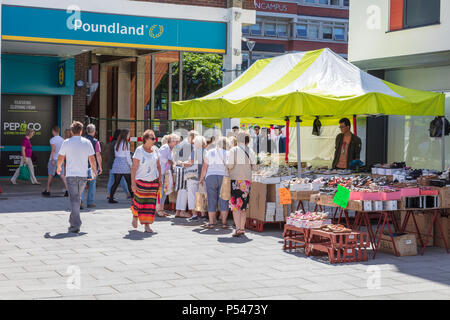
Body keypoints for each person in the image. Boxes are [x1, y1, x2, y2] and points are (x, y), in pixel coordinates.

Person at [57, 121, 97, 233]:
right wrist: (94, 171)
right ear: (81, 131)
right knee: (77, 198)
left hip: (71, 175)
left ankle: (76, 225)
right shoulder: (87, 142)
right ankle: (72, 222)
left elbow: (60, 157)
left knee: (74, 199)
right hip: (83, 175)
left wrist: (59, 167)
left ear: (71, 131)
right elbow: (92, 159)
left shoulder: (66, 142)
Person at [131, 130, 162, 233]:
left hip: (153, 181)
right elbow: (134, 168)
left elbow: (158, 166)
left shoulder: (156, 150)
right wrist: (133, 183)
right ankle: (135, 215)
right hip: (141, 181)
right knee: (138, 202)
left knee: (150, 205)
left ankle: (147, 225)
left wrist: (160, 179)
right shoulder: (139, 150)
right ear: (146, 139)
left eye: (155, 138)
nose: (154, 140)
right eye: (152, 138)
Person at [227, 131, 257, 237]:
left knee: (236, 206)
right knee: (244, 206)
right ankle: (242, 228)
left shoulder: (233, 150)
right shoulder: (251, 151)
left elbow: (229, 165)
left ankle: (238, 228)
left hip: (235, 180)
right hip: (246, 180)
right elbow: (255, 167)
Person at [199, 137, 229, 229]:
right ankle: (224, 223)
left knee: (211, 200)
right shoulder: (228, 153)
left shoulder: (210, 152)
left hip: (210, 176)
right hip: (223, 176)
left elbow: (205, 167)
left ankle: (212, 222)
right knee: (224, 200)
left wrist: (201, 178)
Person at [174, 130, 198, 218]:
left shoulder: (184, 145)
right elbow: (189, 161)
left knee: (181, 190)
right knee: (184, 190)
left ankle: (178, 211)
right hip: (185, 170)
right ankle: (182, 211)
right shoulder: (190, 146)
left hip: (180, 169)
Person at [183, 135, 207, 222]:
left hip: (193, 176)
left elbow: (190, 163)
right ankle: (203, 215)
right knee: (201, 195)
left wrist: (182, 163)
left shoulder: (195, 151)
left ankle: (194, 215)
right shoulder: (206, 151)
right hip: (202, 176)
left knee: (192, 195)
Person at [157, 133, 180, 216]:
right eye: (176, 141)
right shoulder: (165, 147)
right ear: (172, 141)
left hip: (166, 172)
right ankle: (158, 209)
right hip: (162, 172)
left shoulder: (170, 148)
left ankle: (161, 209)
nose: (177, 143)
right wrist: (169, 161)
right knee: (161, 191)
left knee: (165, 191)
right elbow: (159, 159)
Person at [42, 125, 68, 197]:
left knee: (50, 175)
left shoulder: (52, 140)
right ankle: (67, 190)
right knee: (62, 175)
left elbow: (53, 150)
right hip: (60, 159)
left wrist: (52, 160)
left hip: (54, 159)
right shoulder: (62, 140)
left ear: (53, 131)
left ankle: (48, 190)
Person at [109, 129, 133, 203]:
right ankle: (134, 199)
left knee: (116, 182)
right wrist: (131, 165)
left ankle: (111, 198)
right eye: (128, 134)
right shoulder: (126, 144)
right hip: (124, 164)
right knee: (129, 182)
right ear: (126, 135)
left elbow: (116, 154)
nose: (129, 136)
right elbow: (128, 157)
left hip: (117, 163)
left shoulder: (117, 143)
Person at [81, 124, 102, 209]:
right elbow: (98, 155)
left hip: (82, 165)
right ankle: (90, 202)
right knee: (92, 184)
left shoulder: (81, 140)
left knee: (81, 184)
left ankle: (80, 201)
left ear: (86, 131)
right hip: (92, 166)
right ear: (94, 131)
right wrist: (100, 167)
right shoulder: (95, 141)